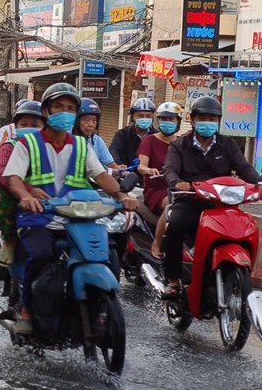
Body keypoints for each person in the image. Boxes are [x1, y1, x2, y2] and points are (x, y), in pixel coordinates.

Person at [4, 82, 136, 335]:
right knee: (41, 255)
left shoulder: (80, 145)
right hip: (39, 216)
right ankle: (27, 309)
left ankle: (97, 306)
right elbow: (14, 179)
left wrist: (121, 195)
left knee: (104, 252)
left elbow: (101, 175)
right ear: (46, 112)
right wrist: (25, 196)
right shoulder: (28, 143)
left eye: (70, 108)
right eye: (58, 107)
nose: (64, 113)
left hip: (78, 217)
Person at [161, 96, 261, 297]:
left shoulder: (228, 145)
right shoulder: (179, 145)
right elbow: (169, 170)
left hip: (221, 204)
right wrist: (177, 182)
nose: (208, 122)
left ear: (218, 121)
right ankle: (172, 280)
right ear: (193, 119)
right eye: (203, 117)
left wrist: (258, 182)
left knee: (245, 227)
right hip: (190, 201)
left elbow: (244, 168)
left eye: (212, 118)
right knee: (176, 225)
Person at [0, 101, 46, 267]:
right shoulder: (10, 146)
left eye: (35, 124)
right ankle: (9, 239)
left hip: (50, 195)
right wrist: (28, 191)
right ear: (16, 126)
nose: (29, 128)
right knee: (2, 195)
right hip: (18, 194)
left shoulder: (50, 146)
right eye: (24, 124)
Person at [136, 102, 182, 259]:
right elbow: (141, 165)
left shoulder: (181, 143)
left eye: (171, 119)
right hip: (157, 191)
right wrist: (147, 170)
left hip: (181, 190)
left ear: (178, 122)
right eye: (163, 119)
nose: (167, 122)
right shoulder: (149, 141)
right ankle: (156, 244)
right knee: (172, 205)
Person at [73, 99, 119, 169]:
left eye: (94, 120)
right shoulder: (67, 140)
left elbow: (110, 164)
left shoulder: (97, 140)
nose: (91, 124)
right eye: (87, 120)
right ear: (77, 121)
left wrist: (123, 172)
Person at [110, 97, 156, 166]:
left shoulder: (156, 136)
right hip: (126, 174)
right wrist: (119, 165)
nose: (144, 118)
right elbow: (113, 152)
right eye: (140, 116)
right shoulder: (122, 134)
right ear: (132, 117)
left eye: (148, 116)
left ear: (152, 118)